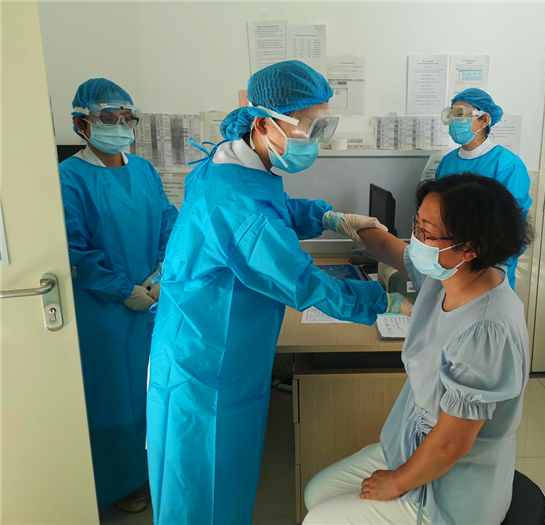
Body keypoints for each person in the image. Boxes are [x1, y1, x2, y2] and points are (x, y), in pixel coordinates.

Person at [146, 60, 407, 525]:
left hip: (207, 340)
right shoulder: (237, 202)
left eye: (322, 125)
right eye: (308, 126)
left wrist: (327, 216)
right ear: (264, 124)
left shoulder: (234, 162)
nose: (315, 138)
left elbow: (277, 208)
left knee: (220, 477)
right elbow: (300, 280)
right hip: (207, 360)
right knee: (203, 491)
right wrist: (385, 302)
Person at [303, 173, 534, 525]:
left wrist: (395, 483)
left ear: (470, 246)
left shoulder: (487, 329)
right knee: (315, 494)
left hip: (453, 486)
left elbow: (451, 444)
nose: (417, 240)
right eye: (417, 224)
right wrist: (339, 221)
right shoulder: (450, 274)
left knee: (318, 521)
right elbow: (394, 251)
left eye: (426, 232)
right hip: (411, 446)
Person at [59, 78, 178, 512]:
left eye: (127, 118)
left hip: (152, 303)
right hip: (104, 312)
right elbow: (74, 250)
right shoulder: (68, 178)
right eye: (108, 118)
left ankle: (152, 471)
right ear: (82, 124)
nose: (120, 126)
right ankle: (120, 484)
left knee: (153, 392)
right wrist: (122, 289)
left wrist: (162, 276)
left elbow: (169, 224)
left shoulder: (144, 170)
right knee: (112, 399)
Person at [436, 88, 532, 289]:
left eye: (461, 114)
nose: (454, 120)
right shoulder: (447, 162)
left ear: (484, 120)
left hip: (490, 264)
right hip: (449, 261)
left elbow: (513, 224)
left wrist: (495, 264)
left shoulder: (507, 165)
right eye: (452, 114)